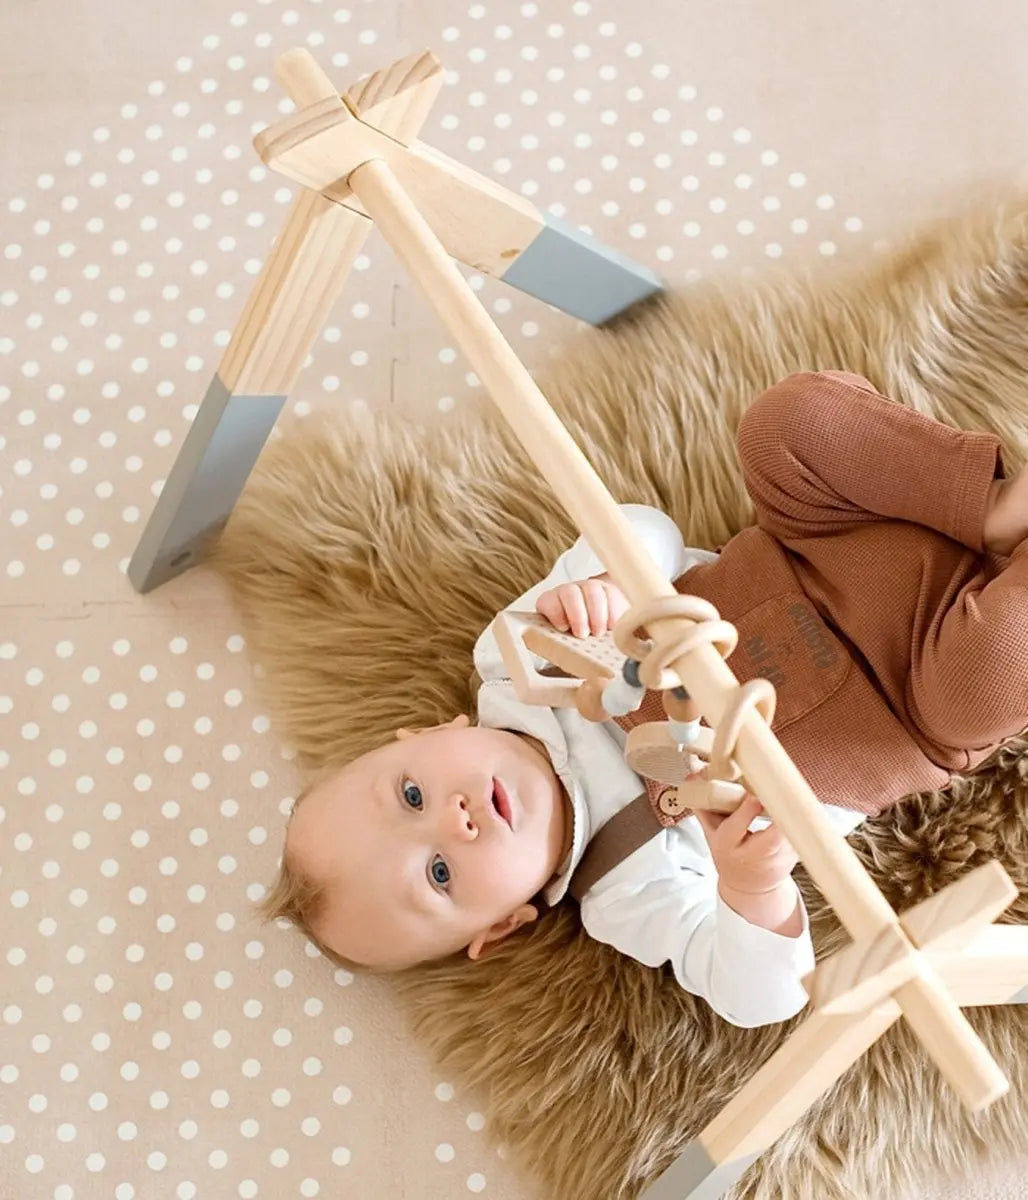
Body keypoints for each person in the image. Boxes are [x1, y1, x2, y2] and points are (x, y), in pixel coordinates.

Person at [269, 371, 1028, 1027]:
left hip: (826, 542)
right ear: (504, 923)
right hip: (914, 690)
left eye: (410, 794)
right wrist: (749, 884)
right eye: (439, 874)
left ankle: (990, 511)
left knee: (786, 425)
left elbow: (642, 526)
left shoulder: (515, 655)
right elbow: (763, 996)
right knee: (989, 671)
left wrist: (608, 581)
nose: (453, 820)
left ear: (428, 731)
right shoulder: (626, 893)